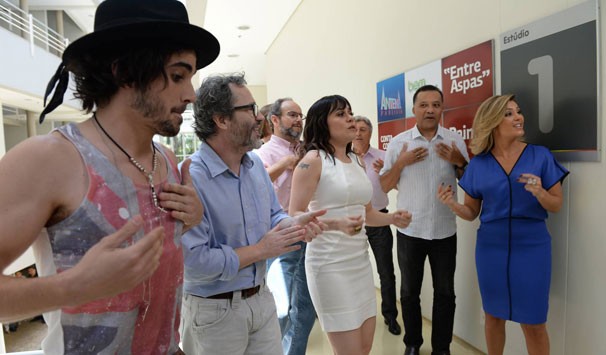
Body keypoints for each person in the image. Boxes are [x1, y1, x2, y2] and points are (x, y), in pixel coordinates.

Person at [0, 0, 217, 353]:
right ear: (124, 72)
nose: (191, 95)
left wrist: (191, 220)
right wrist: (71, 287)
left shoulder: (165, 160)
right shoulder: (51, 159)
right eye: (179, 76)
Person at [180, 74, 326, 355]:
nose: (259, 117)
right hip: (215, 312)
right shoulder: (191, 177)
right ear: (221, 120)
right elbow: (195, 263)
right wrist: (260, 250)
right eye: (248, 109)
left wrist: (292, 225)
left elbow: (273, 215)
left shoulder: (255, 167)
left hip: (261, 299)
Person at [437, 94, 568, 355]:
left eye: (518, 112)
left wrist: (540, 192)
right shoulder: (478, 164)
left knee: (533, 322)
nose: (518, 117)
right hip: (491, 248)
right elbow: (471, 212)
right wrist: (452, 204)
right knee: (493, 316)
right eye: (509, 113)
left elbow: (556, 204)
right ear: (493, 122)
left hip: (532, 246)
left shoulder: (539, 156)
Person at [289, 95, 412, 355]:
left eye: (350, 113)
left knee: (364, 347)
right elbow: (295, 215)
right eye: (341, 114)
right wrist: (336, 224)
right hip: (329, 265)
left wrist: (392, 218)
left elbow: (366, 212)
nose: (351, 119)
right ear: (323, 122)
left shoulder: (356, 160)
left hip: (359, 264)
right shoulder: (312, 160)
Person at [380, 85, 469, 355]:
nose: (430, 109)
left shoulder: (455, 140)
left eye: (436, 104)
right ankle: (413, 344)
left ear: (442, 108)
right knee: (409, 293)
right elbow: (384, 185)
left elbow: (469, 181)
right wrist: (401, 162)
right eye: (424, 105)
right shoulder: (399, 143)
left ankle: (441, 347)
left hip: (444, 230)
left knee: (445, 294)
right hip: (410, 230)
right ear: (414, 109)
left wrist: (458, 161)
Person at [255, 98, 315, 355]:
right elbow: (255, 186)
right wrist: (285, 164)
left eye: (300, 115)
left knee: (306, 310)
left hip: (310, 237)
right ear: (275, 120)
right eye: (292, 114)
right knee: (281, 308)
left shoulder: (309, 152)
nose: (298, 120)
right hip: (282, 240)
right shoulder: (262, 154)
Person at [352, 115, 401, 336]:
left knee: (386, 271)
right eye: (355, 129)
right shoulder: (343, 159)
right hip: (352, 222)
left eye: (363, 129)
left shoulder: (383, 157)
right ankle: (356, 315)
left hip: (380, 219)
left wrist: (386, 172)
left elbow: (397, 185)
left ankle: (390, 316)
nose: (359, 133)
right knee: (353, 271)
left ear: (371, 133)